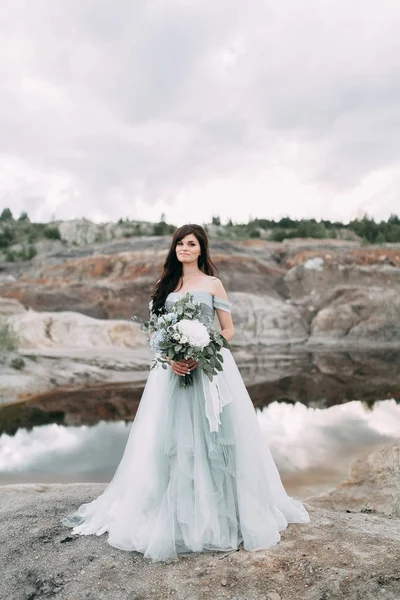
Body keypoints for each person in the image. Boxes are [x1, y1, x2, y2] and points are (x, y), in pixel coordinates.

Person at [60, 223, 310, 562]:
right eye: (180, 243)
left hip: (209, 369)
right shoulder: (165, 285)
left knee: (217, 433)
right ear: (174, 248)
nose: (185, 248)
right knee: (170, 437)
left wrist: (205, 348)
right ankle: (172, 510)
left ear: (202, 249)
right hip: (171, 374)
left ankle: (223, 510)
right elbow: (155, 334)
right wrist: (170, 356)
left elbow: (228, 328)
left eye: (191, 244)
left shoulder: (212, 284)